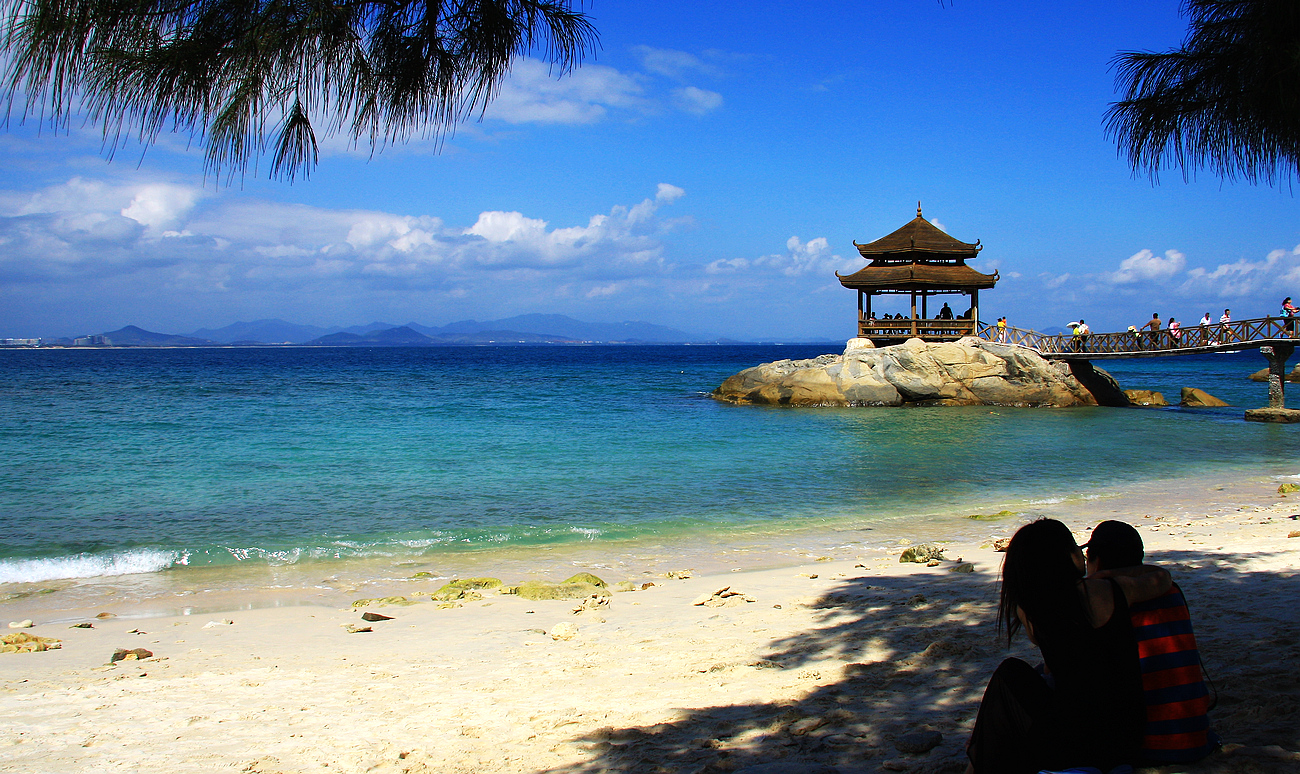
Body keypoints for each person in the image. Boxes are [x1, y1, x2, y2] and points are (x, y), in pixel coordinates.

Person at [966, 518, 1171, 774]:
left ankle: (973, 769)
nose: (1083, 554)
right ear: (1067, 557)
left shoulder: (1031, 610)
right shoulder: (1114, 590)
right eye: (1076, 547)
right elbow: (1162, 577)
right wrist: (1109, 575)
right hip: (1126, 739)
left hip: (1074, 746)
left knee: (1009, 674)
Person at [1083, 521, 1218, 766]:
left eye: (1088, 558)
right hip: (1196, 737)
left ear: (1097, 560)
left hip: (1147, 748)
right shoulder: (1171, 590)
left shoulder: (1104, 602)